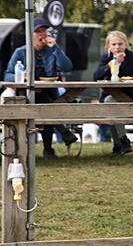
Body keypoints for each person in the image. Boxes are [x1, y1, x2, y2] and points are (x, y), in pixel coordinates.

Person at [3, 17, 77, 157]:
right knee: (45, 105)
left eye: (44, 31)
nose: (42, 34)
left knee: (45, 103)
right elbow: (7, 75)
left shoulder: (51, 51)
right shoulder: (21, 52)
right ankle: (56, 140)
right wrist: (21, 76)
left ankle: (52, 145)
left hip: (48, 92)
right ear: (30, 35)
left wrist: (55, 48)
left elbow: (67, 67)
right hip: (24, 94)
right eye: (38, 31)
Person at [92, 30, 133, 156]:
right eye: (114, 44)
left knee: (109, 104)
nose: (117, 47)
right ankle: (122, 142)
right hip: (109, 96)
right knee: (110, 103)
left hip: (130, 98)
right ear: (109, 46)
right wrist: (109, 66)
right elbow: (96, 77)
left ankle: (119, 144)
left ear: (126, 44)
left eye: (120, 44)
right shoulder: (106, 58)